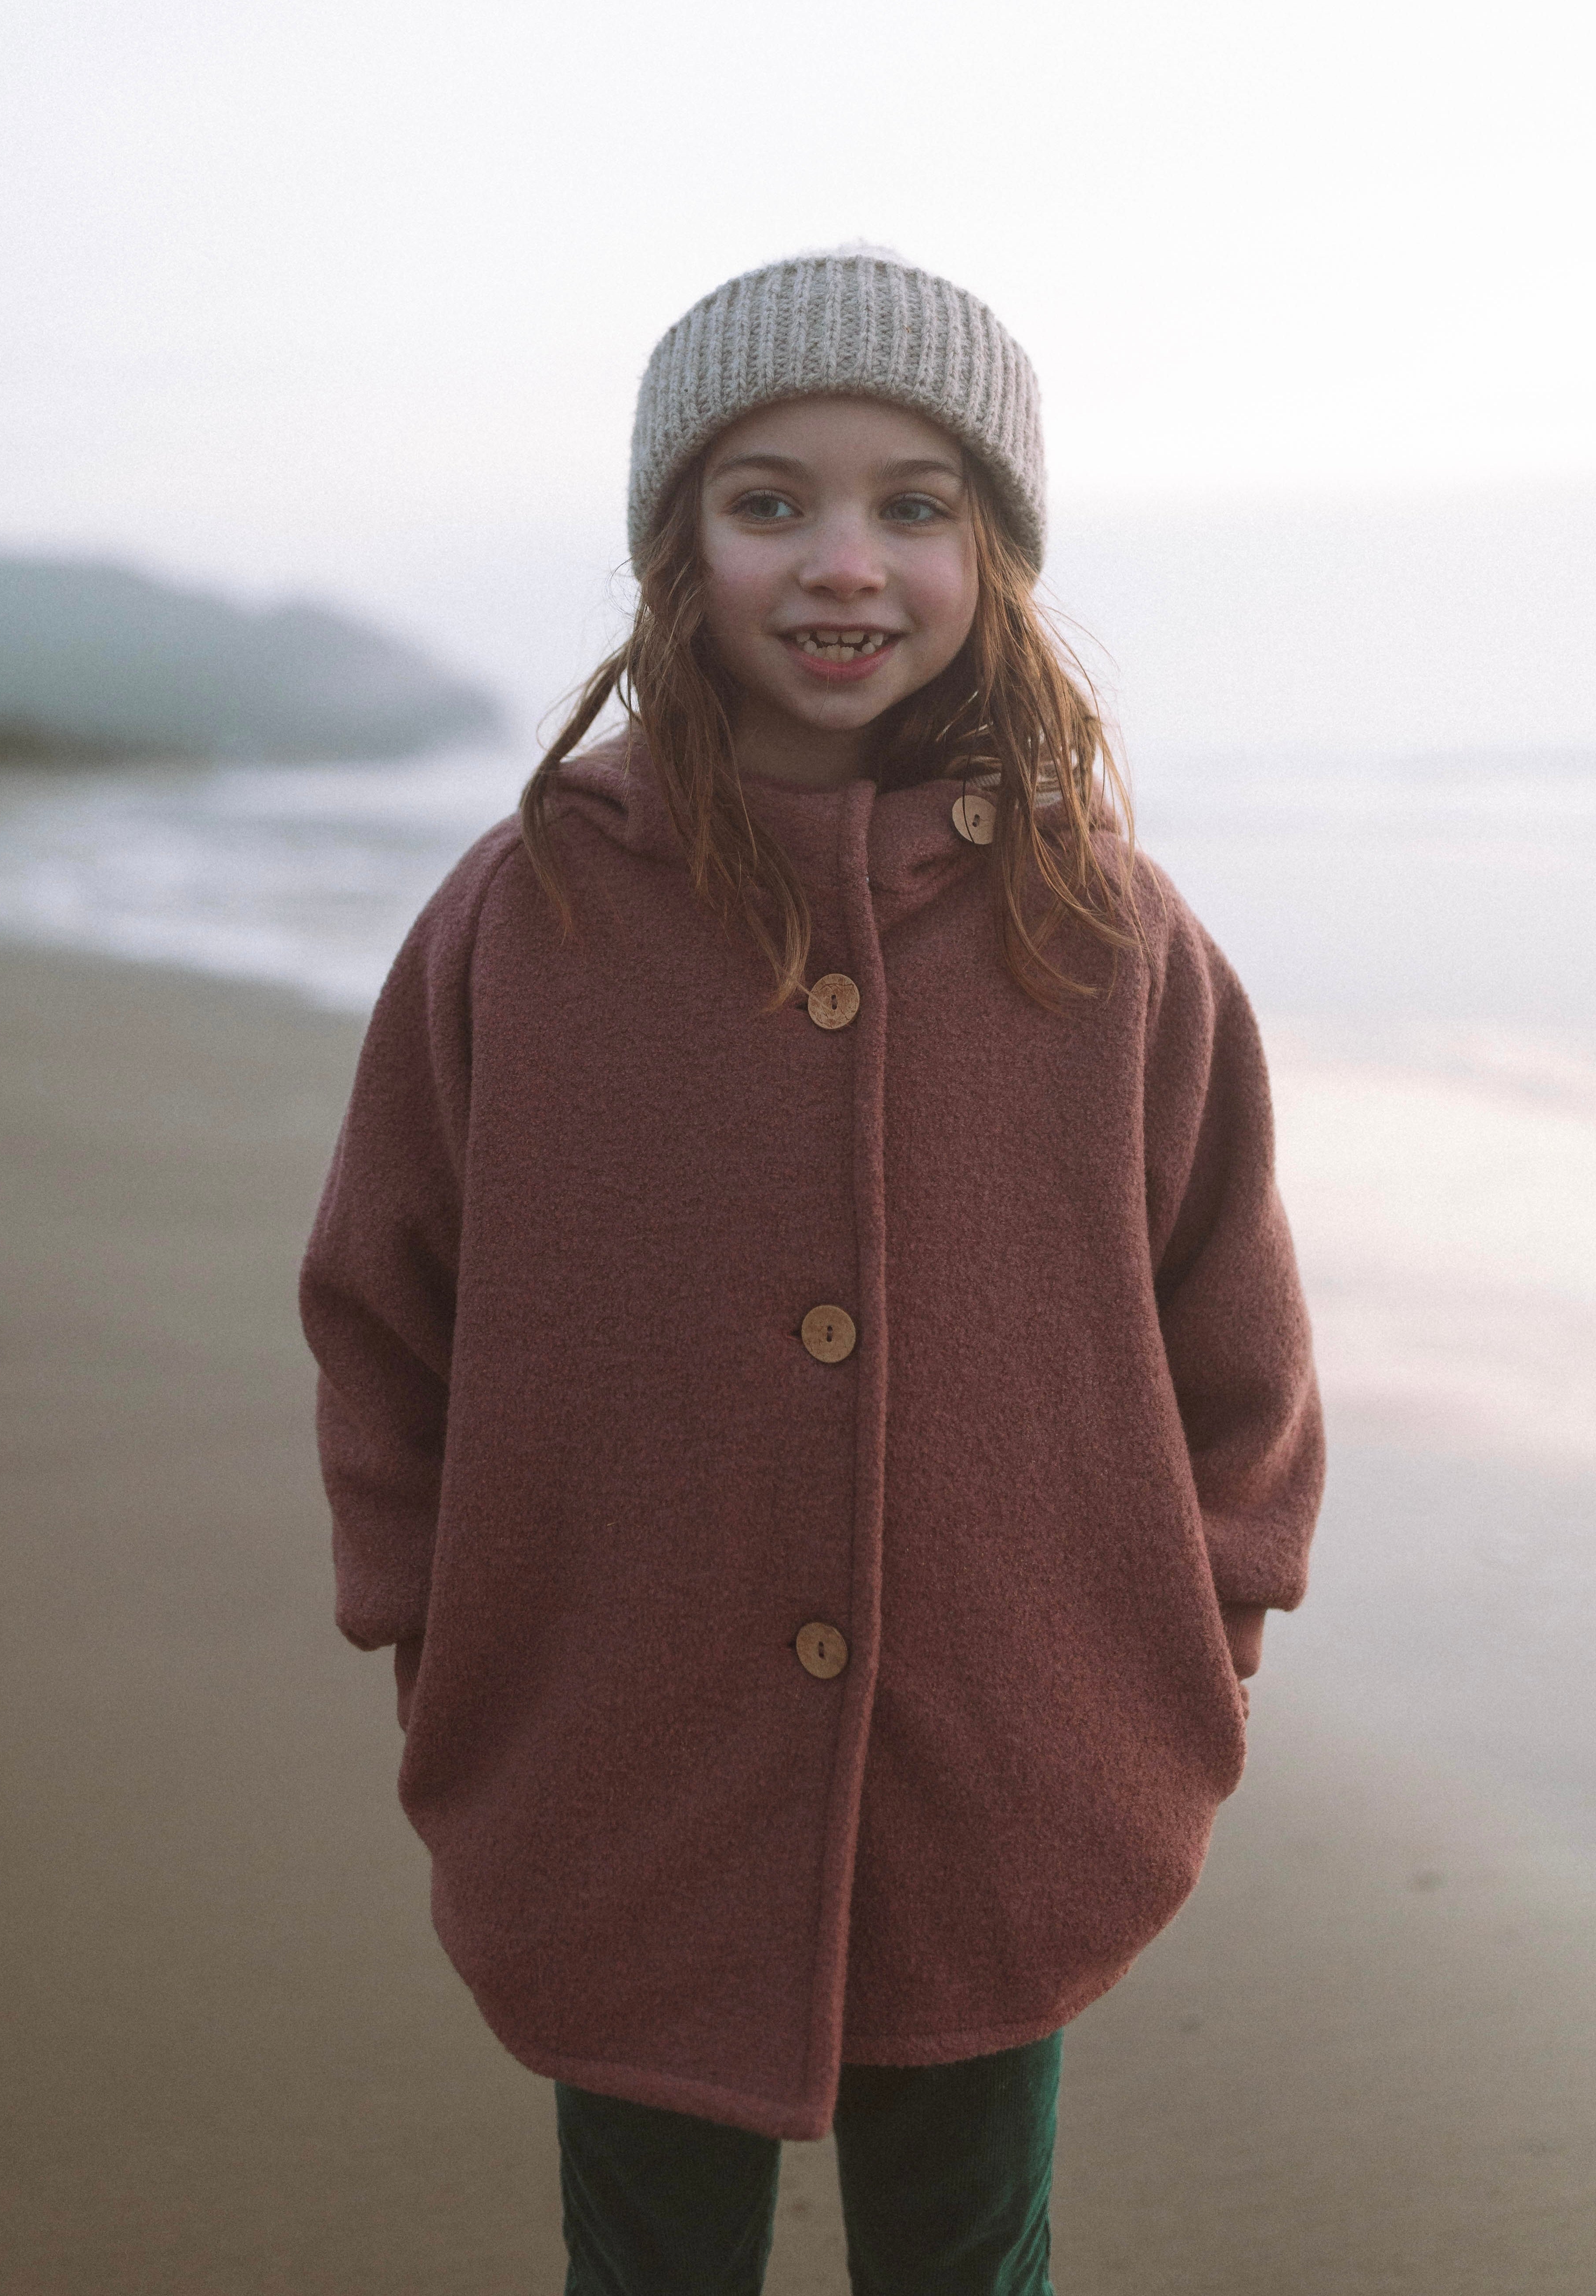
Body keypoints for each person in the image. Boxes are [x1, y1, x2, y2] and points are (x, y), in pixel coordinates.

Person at [299, 247, 1324, 2295]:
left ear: (996, 554)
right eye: (769, 500)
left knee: (969, 2260)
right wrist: (435, 1627)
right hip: (612, 1757)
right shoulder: (526, 918)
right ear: (678, 540)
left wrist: (1207, 1627)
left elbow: (1236, 1315)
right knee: (648, 2264)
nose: (841, 563)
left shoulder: (1106, 935)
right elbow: (381, 1295)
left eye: (915, 504)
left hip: (1020, 1759)